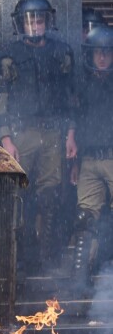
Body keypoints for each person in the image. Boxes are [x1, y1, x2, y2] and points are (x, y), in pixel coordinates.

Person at [0, 0, 76, 276]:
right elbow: (0, 99)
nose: (35, 25)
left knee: (50, 195)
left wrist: (70, 134)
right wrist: (6, 138)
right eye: (30, 20)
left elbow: (70, 97)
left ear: (48, 21)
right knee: (21, 195)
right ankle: (21, 256)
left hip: (53, 131)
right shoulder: (8, 54)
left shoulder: (61, 51)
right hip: (21, 131)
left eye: (40, 19)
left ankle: (47, 255)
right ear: (20, 24)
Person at [71, 26, 113, 287]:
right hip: (88, 159)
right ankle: (80, 279)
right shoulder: (82, 84)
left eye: (107, 53)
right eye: (98, 53)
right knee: (85, 219)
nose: (102, 58)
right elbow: (74, 121)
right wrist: (75, 161)